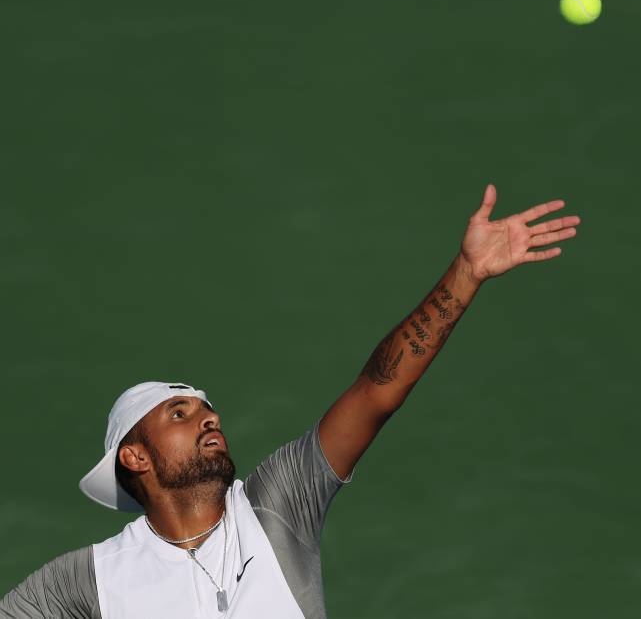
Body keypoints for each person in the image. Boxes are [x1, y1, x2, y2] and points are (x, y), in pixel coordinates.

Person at [1, 185, 580, 619]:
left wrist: (466, 273)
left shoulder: (279, 503)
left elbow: (377, 391)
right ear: (135, 457)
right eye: (179, 414)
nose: (209, 417)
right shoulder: (88, 581)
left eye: (207, 410)